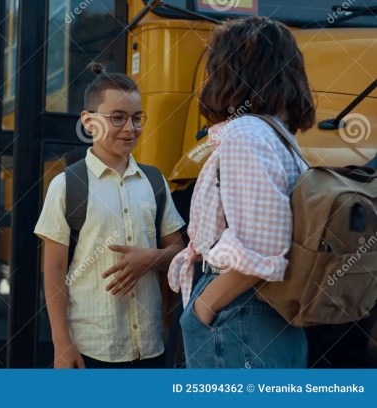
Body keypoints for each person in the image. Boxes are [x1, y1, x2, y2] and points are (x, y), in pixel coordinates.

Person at [168, 17, 315, 368]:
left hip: (238, 314)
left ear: (231, 72)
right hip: (267, 315)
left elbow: (264, 248)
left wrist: (204, 309)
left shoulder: (245, 134)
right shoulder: (278, 135)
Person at [34, 63, 186, 368]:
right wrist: (62, 342)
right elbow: (53, 271)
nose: (130, 128)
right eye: (118, 117)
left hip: (150, 347)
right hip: (93, 348)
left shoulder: (154, 182)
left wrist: (150, 259)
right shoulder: (66, 185)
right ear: (89, 122)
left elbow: (179, 252)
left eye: (136, 118)